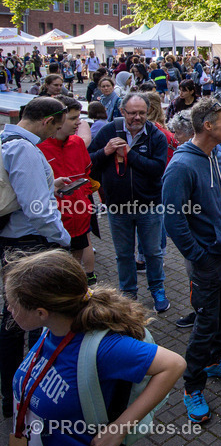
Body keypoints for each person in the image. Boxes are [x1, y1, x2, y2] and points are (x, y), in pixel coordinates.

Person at [5, 249, 185, 446]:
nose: (8, 309)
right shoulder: (50, 330)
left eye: (12, 303)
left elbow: (173, 365)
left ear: (42, 312)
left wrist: (120, 427)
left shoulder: (103, 348)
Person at [162, 97, 221, 423]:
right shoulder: (182, 166)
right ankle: (192, 386)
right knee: (205, 320)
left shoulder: (215, 155)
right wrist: (198, 256)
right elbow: (173, 221)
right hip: (208, 257)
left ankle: (214, 360)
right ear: (208, 125)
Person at [0, 97, 72, 418]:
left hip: (11, 242)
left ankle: (12, 392)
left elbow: (17, 192)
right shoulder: (26, 149)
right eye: (57, 126)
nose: (56, 133)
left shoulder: (6, 140)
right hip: (29, 245)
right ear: (47, 121)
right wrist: (63, 238)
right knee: (26, 320)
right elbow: (39, 212)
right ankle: (20, 393)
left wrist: (49, 184)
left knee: (15, 315)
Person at [89, 92, 169, 313]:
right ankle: (128, 294)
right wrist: (105, 152)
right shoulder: (108, 131)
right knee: (124, 254)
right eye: (132, 113)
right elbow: (88, 163)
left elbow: (157, 169)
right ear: (122, 112)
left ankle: (157, 290)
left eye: (142, 113)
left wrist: (129, 154)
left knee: (153, 253)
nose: (137, 117)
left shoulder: (156, 136)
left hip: (149, 206)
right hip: (118, 207)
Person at [38, 97, 96, 285]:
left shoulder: (78, 143)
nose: (78, 122)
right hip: (53, 224)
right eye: (72, 118)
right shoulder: (38, 148)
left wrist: (84, 200)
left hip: (79, 218)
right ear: (57, 120)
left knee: (73, 267)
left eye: (79, 117)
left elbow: (86, 173)